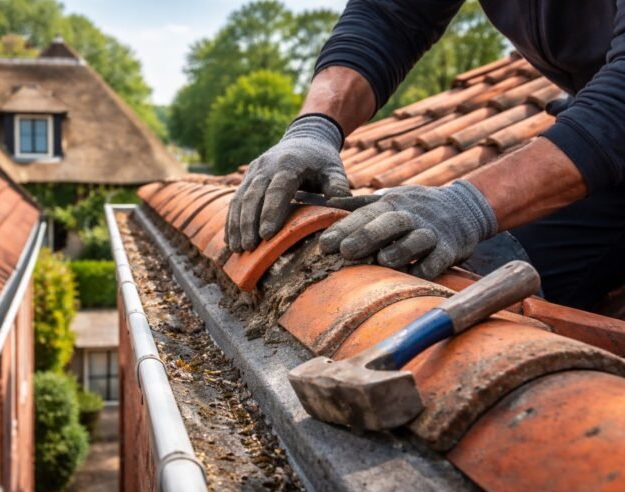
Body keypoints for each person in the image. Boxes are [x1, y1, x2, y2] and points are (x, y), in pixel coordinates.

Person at [225, 0, 625, 310]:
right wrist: (315, 127)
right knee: (465, 277)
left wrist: (469, 205)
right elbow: (389, 17)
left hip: (610, 130)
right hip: (601, 146)